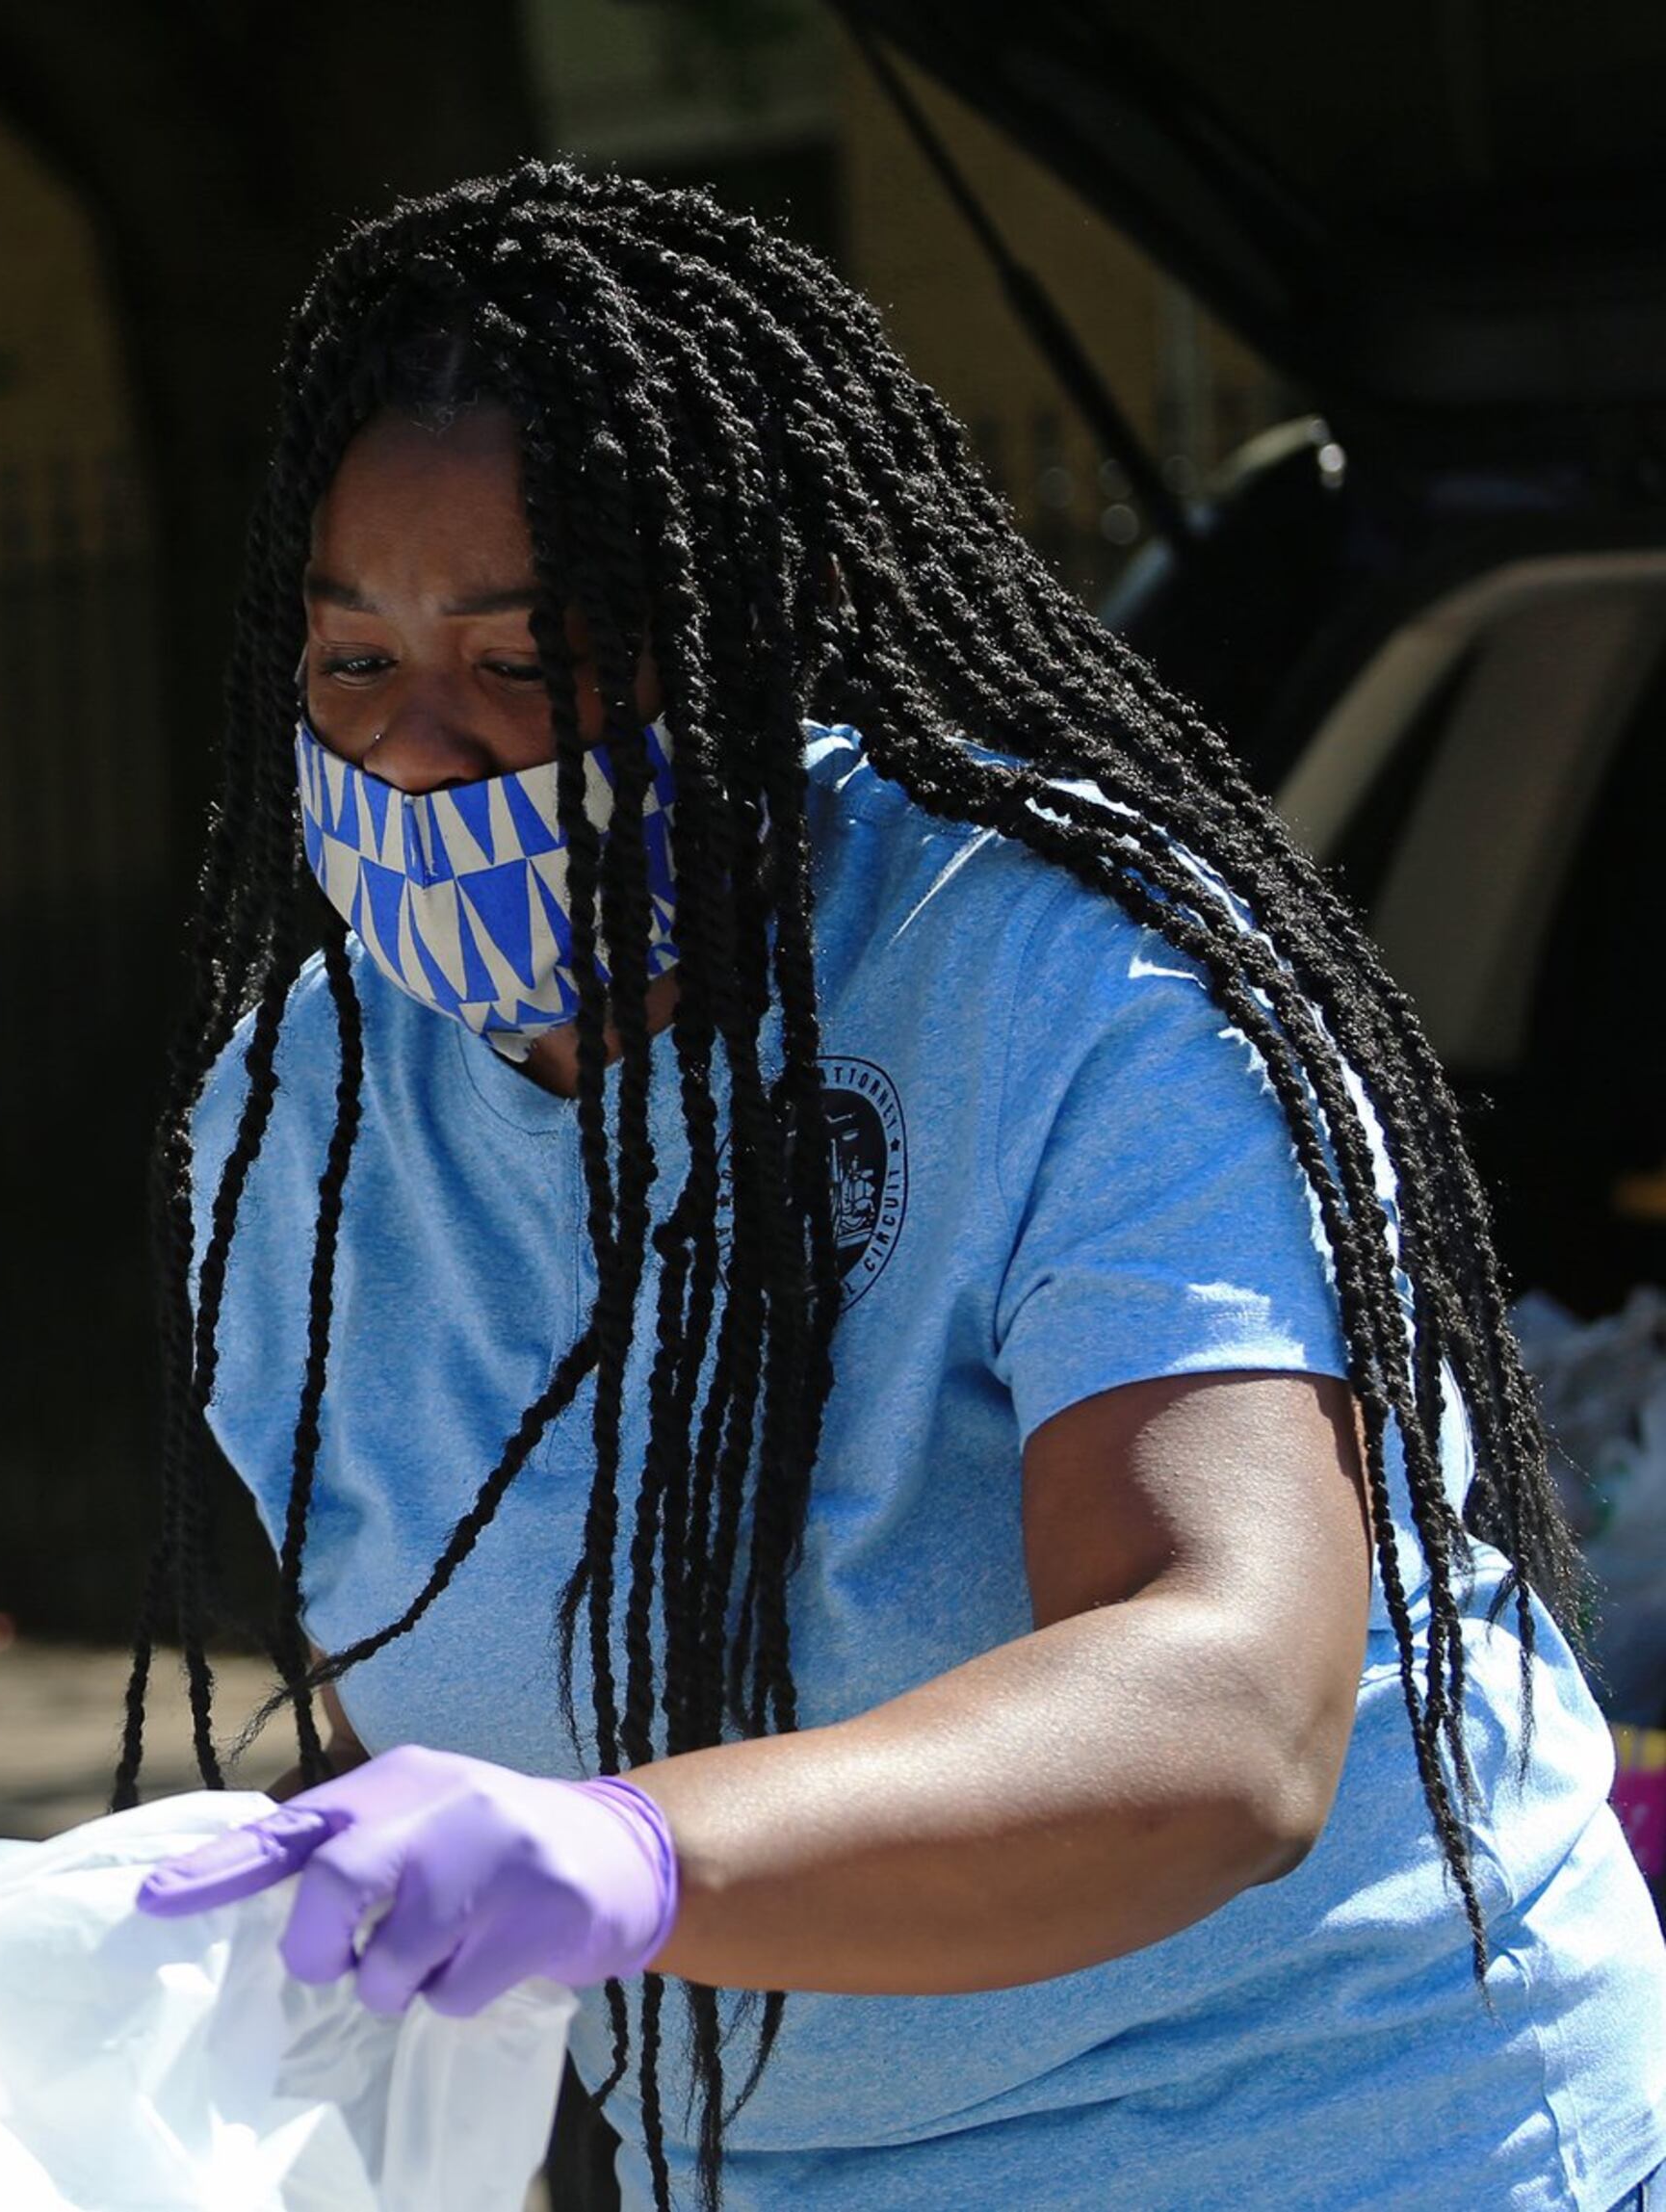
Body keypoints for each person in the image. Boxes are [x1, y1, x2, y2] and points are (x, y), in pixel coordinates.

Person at [118, 168, 1666, 2210]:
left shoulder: (1070, 980)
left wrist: (636, 1849)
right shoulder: (301, 1130)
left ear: (751, 635)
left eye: (529, 657)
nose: (424, 752)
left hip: (1354, 2145)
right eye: (352, 665)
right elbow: (494, 1737)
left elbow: (1226, 1706)